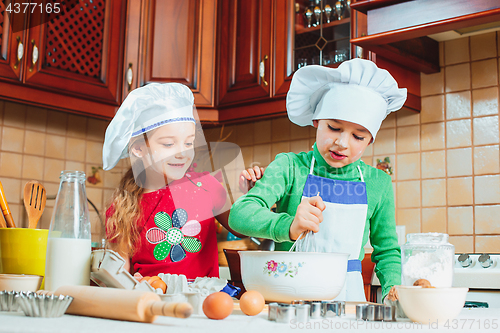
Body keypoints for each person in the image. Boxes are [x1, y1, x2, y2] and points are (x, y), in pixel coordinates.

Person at [230, 58, 406, 301]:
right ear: (316, 121)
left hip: (349, 301)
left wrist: (393, 292)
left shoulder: (378, 183)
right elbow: (240, 213)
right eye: (334, 128)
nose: (342, 143)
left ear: (370, 140)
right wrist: (289, 226)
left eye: (358, 136)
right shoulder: (289, 167)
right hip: (289, 299)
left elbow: (387, 251)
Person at [102, 82, 243, 279]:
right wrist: (128, 282)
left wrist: (254, 194)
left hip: (201, 305)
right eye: (169, 144)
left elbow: (244, 228)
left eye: (188, 142)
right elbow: (117, 275)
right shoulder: (122, 207)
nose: (182, 153)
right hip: (149, 303)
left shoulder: (207, 186)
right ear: (138, 148)